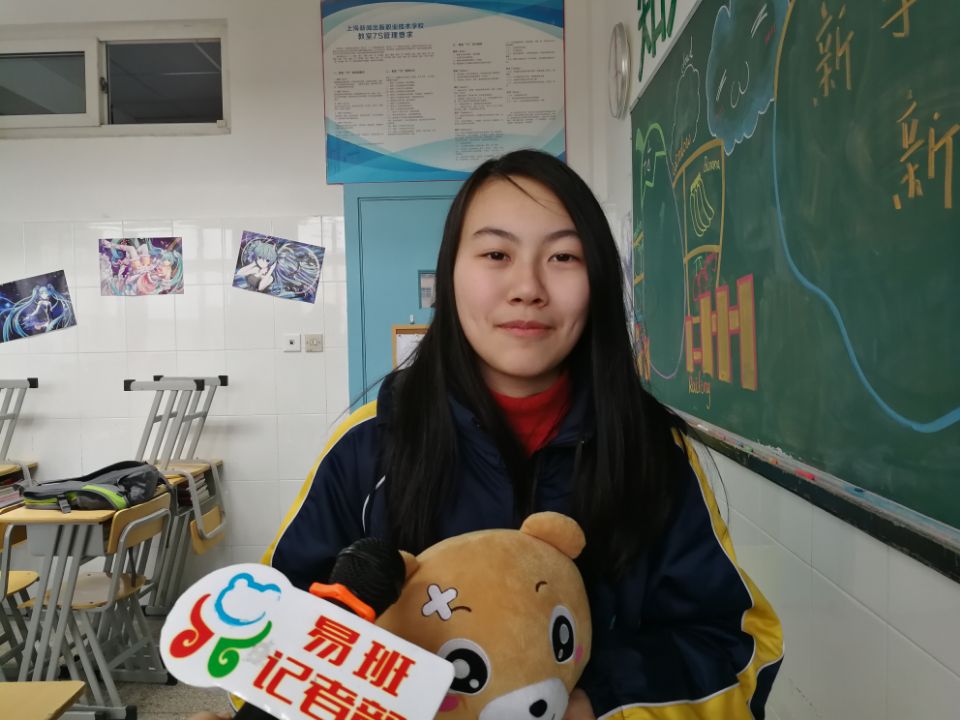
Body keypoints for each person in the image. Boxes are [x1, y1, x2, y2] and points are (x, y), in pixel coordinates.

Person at [198, 149, 783, 720]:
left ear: (599, 278)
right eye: (497, 253)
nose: (528, 287)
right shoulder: (369, 445)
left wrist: (595, 704)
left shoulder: (652, 452)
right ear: (450, 274)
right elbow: (266, 642)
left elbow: (739, 647)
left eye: (564, 256)